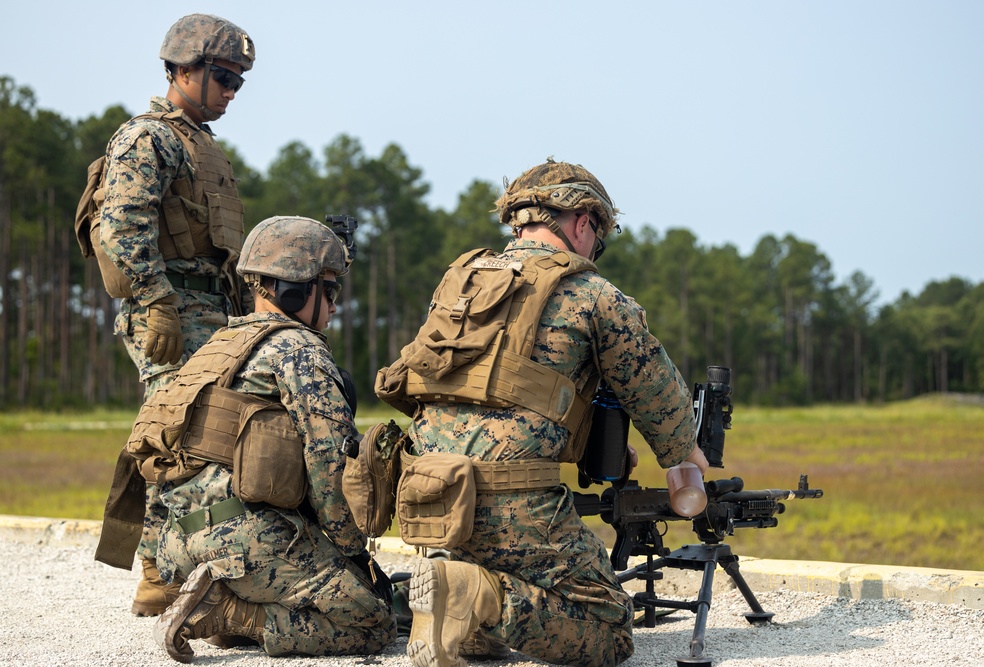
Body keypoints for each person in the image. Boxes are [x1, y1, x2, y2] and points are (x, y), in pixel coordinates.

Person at [375, 159, 708, 667]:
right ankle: (475, 594)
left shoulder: (458, 284)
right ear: (582, 222)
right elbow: (663, 404)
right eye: (600, 238)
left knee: (495, 616)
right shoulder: (592, 295)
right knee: (609, 629)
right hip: (510, 502)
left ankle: (461, 601)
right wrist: (687, 455)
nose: (596, 252)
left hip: (430, 498)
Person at [136, 215, 395, 662]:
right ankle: (231, 613)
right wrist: (355, 557)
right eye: (329, 291)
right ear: (295, 291)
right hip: (244, 541)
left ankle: (230, 603)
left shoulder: (218, 345)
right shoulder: (300, 351)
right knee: (372, 621)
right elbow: (332, 471)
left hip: (178, 544)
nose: (335, 307)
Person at [95, 13, 256, 617]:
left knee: (204, 432)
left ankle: (187, 561)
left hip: (209, 304)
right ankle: (157, 570)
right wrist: (155, 301)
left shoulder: (199, 142)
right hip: (170, 305)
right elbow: (122, 225)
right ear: (182, 69)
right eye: (223, 76)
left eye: (239, 81)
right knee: (173, 433)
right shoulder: (149, 137)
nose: (231, 91)